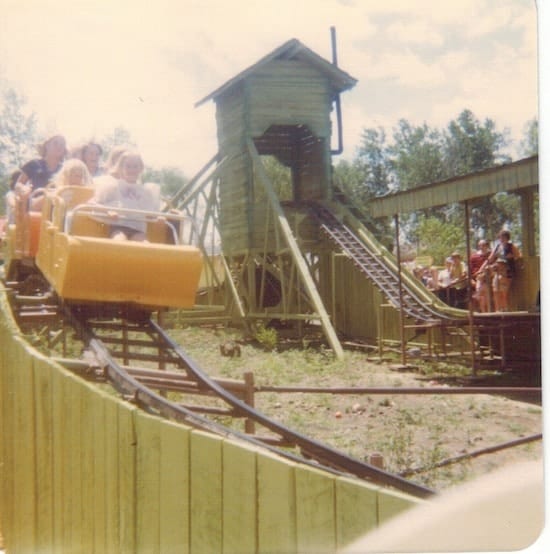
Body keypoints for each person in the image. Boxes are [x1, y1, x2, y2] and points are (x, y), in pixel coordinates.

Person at [92, 151, 159, 241]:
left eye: (135, 166)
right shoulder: (112, 187)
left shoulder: (146, 192)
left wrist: (157, 217)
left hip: (137, 229)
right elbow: (92, 203)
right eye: (128, 166)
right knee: (120, 241)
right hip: (118, 227)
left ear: (140, 168)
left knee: (144, 245)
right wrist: (108, 211)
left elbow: (153, 213)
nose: (132, 170)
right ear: (121, 168)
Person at [14, 134, 67, 212]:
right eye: (56, 143)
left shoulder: (65, 169)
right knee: (46, 198)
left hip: (56, 206)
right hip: (35, 204)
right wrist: (23, 188)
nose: (59, 146)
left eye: (62, 144)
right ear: (47, 145)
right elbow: (18, 184)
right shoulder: (34, 164)